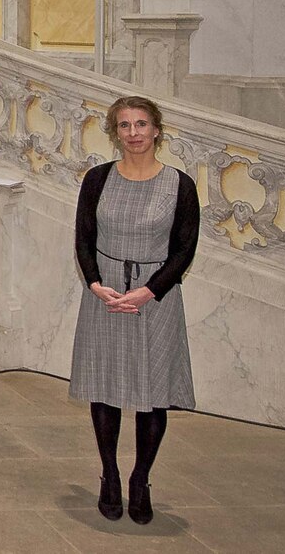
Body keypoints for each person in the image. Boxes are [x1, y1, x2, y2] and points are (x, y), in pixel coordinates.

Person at [70, 96, 199, 525]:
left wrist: (149, 291)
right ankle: (109, 474)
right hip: (105, 295)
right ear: (115, 132)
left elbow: (184, 249)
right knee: (104, 388)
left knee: (151, 394)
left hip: (155, 299)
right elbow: (84, 238)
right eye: (124, 125)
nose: (134, 133)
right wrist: (95, 285)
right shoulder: (98, 179)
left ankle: (140, 479)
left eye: (141, 124)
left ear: (157, 130)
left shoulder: (180, 184)